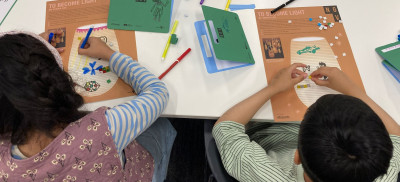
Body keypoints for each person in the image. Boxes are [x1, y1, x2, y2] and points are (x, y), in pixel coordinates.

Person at [0, 31, 176, 182]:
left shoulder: (4, 166)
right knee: (162, 125)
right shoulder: (104, 129)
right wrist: (110, 55)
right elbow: (158, 93)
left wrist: (22, 59)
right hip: (136, 173)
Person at [213, 63, 400, 182]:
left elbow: (225, 127)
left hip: (268, 134)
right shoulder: (380, 173)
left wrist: (274, 88)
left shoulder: (269, 176)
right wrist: (352, 89)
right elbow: (397, 136)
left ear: (297, 157)